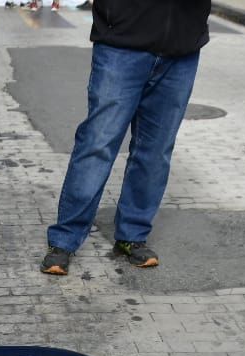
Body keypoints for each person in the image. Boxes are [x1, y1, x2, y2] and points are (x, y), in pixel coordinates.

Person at [39, 0, 211, 276]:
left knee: (155, 149)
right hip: (121, 43)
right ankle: (64, 240)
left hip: (182, 49)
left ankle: (132, 235)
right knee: (98, 144)